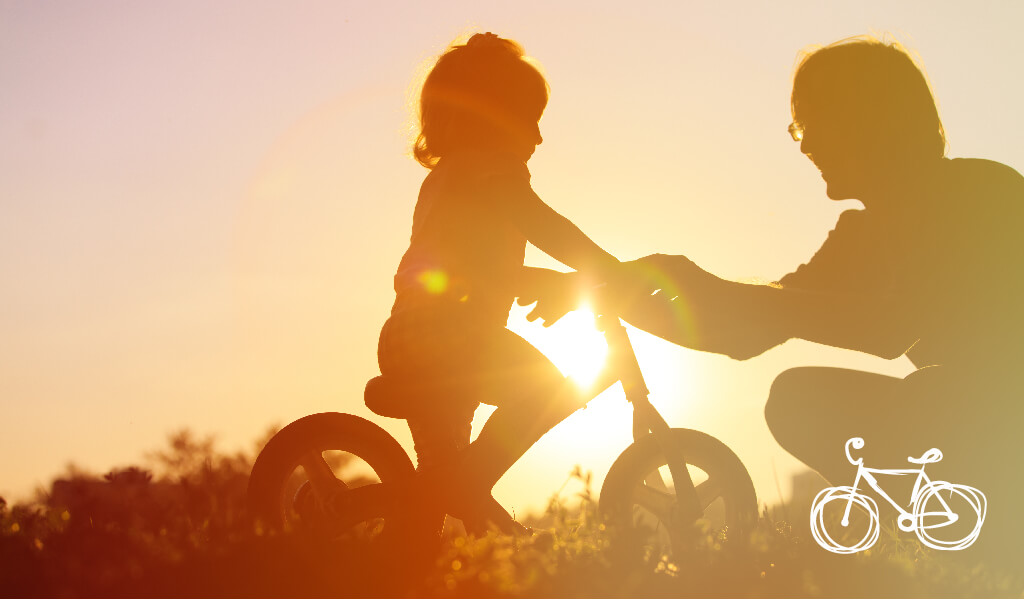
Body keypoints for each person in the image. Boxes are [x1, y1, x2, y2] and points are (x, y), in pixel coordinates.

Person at [525, 36, 1023, 563]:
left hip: (1001, 412)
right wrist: (607, 296)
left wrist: (695, 282)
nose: (804, 145)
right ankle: (959, 539)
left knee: (901, 392)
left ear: (862, 117)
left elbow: (889, 326)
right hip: (962, 411)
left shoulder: (980, 190)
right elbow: (746, 333)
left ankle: (984, 534)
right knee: (799, 401)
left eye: (809, 123)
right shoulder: (859, 235)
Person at [374, 32, 621, 532]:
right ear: (493, 117)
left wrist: (540, 281)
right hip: (450, 336)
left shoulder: (447, 179)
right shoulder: (491, 169)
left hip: (413, 336)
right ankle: (467, 491)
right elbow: (541, 223)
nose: (538, 138)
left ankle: (421, 543)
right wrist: (608, 269)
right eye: (531, 121)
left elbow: (463, 267)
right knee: (547, 390)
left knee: (439, 483)